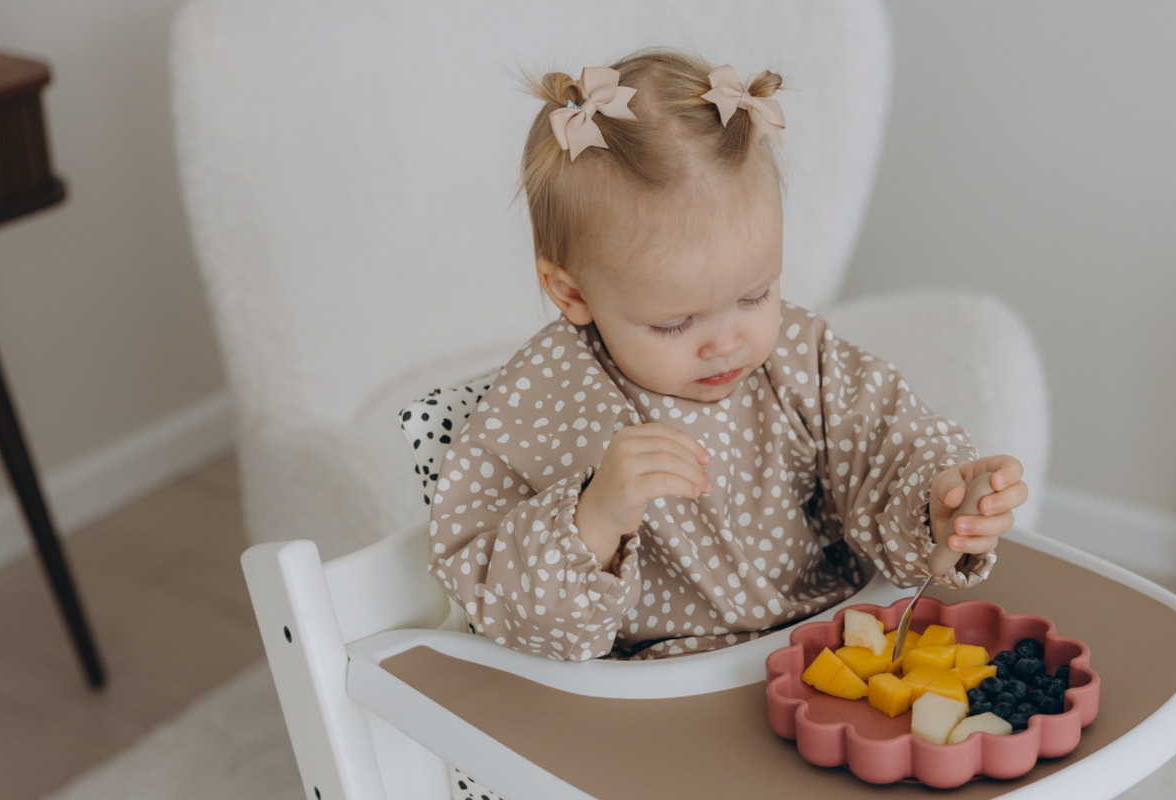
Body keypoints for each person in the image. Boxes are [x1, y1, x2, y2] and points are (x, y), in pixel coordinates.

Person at [427, 48, 1028, 661]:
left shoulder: (799, 355)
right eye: (674, 323)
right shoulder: (542, 402)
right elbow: (500, 604)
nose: (726, 342)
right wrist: (595, 519)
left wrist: (937, 503)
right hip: (659, 685)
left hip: (830, 642)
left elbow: (881, 441)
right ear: (573, 293)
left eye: (754, 295)